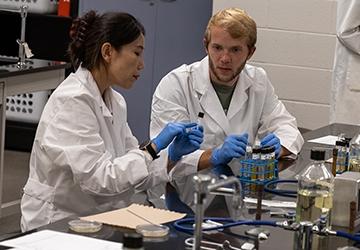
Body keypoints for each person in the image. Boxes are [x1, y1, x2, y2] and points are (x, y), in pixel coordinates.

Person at [20, 10, 203, 231]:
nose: (142, 64)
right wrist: (153, 148)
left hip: (97, 219)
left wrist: (171, 156)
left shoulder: (115, 101)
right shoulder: (72, 100)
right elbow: (99, 180)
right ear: (108, 51)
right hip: (57, 223)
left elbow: (133, 174)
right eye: (137, 53)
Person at [148, 7, 304, 213]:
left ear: (251, 52)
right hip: (180, 197)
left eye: (235, 50)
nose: (224, 58)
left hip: (236, 192)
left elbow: (285, 126)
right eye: (218, 47)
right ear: (206, 46)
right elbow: (166, 159)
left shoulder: (258, 80)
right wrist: (214, 155)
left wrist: (277, 148)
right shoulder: (176, 84)